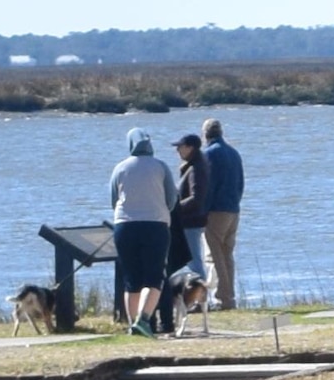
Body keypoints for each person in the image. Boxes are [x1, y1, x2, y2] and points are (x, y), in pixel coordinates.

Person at [104, 130, 180, 334]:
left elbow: (113, 200)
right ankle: (144, 319)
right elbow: (172, 200)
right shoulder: (161, 166)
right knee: (154, 277)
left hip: (125, 226)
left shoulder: (119, 168)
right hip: (155, 225)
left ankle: (132, 324)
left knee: (131, 279)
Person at [195, 114, 246, 309]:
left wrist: (202, 211)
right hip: (233, 209)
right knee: (227, 255)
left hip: (216, 211)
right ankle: (229, 296)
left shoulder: (208, 154)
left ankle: (222, 298)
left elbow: (208, 186)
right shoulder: (234, 153)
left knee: (214, 255)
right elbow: (241, 183)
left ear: (204, 135)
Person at [169, 132, 209, 311]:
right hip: (190, 221)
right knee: (193, 261)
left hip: (192, 222)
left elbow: (196, 198)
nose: (177, 150)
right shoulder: (192, 166)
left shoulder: (196, 169)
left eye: (180, 146)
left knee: (194, 262)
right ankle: (199, 300)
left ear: (190, 148)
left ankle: (201, 301)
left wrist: (175, 208)